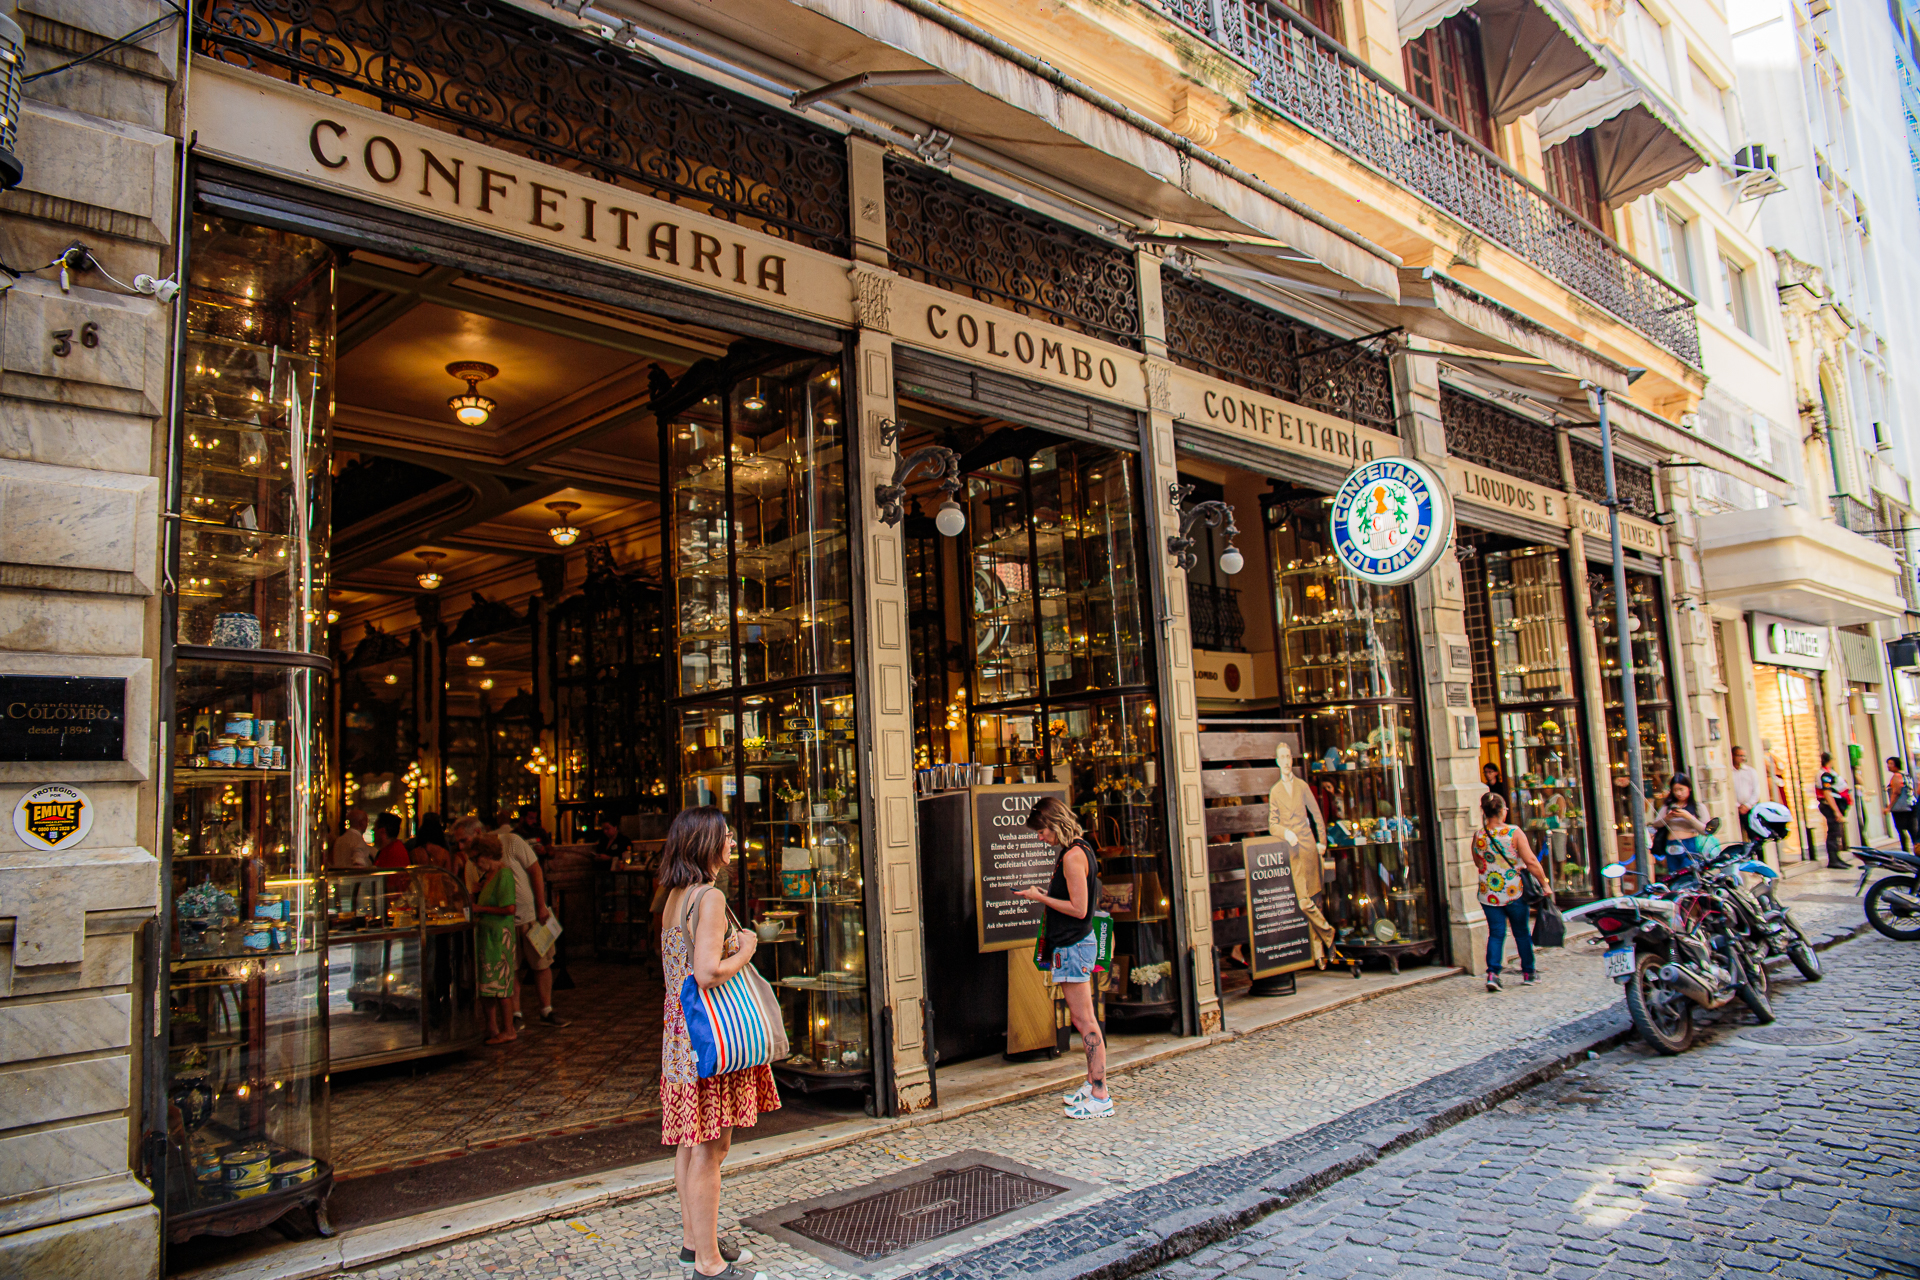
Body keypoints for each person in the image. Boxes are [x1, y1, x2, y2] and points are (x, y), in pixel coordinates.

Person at [658, 807, 777, 1280]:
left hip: (680, 1036)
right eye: (727, 835)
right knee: (711, 1147)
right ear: (707, 843)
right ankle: (709, 1264)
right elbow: (706, 973)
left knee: (691, 1145)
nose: (733, 842)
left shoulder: (674, 896)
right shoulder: (708, 897)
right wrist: (746, 949)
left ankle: (695, 1245)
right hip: (709, 1038)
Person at [1015, 796, 1109, 1119]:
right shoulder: (1079, 848)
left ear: (1054, 824)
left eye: (1041, 831)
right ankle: (1092, 1083)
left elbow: (1079, 909)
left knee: (1084, 1021)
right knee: (1084, 1019)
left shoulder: (1071, 858)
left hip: (1073, 945)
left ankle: (1100, 1092)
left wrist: (1041, 896)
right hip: (1074, 944)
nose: (1040, 837)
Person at [491, 812, 568, 1029]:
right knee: (512, 966)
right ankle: (516, 1014)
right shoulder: (482, 855)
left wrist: (541, 905)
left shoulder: (514, 842)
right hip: (505, 917)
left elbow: (535, 870)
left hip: (531, 913)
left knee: (542, 962)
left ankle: (546, 1009)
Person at [1471, 791, 1553, 992]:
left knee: (1496, 933)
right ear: (1502, 811)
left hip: (1489, 891)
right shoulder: (1513, 833)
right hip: (1513, 890)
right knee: (1521, 932)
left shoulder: (1479, 835)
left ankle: (1493, 973)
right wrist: (1544, 884)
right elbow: (1531, 861)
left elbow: (1477, 862)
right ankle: (1528, 972)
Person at [470, 834, 518, 1046]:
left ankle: (509, 1029)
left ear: (487, 855)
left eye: (476, 858)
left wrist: (480, 909)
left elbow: (509, 908)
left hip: (499, 936)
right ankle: (492, 1026)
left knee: (501, 984)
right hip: (486, 935)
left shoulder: (503, 874)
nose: (475, 863)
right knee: (487, 983)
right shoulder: (486, 877)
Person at [1649, 773, 1712, 882]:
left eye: (1681, 789)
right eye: (1675, 790)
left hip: (1690, 844)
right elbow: (1656, 824)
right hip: (1671, 846)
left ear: (1689, 788)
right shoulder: (1667, 807)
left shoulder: (1697, 807)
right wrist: (1667, 818)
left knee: (1688, 875)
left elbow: (1705, 830)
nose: (1679, 793)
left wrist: (1688, 817)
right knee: (1674, 876)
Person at [1816, 752, 1853, 869]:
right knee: (1833, 833)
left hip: (1835, 805)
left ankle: (1837, 857)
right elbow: (1827, 793)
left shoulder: (1829, 773)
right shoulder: (1825, 774)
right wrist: (1836, 810)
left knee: (1836, 832)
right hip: (1829, 806)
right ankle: (1833, 860)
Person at [1889, 757, 1916, 853]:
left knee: (1901, 829)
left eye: (1890, 763)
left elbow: (1896, 792)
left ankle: (1905, 851)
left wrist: (1889, 807)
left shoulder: (1897, 776)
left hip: (1900, 807)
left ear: (1896, 764)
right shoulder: (1906, 775)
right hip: (1910, 804)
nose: (1888, 766)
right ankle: (1916, 848)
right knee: (1912, 829)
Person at [1729, 747, 1762, 825]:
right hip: (1735, 809)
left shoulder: (1750, 771)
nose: (1742, 758)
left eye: (1744, 756)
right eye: (1739, 756)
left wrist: (1747, 805)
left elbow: (1756, 790)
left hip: (1750, 807)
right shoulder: (1729, 772)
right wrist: (1737, 805)